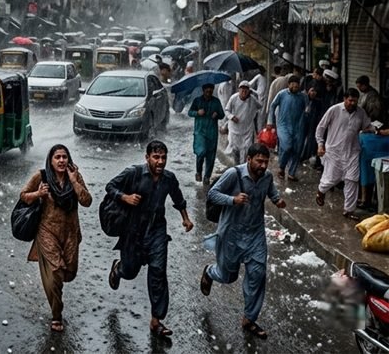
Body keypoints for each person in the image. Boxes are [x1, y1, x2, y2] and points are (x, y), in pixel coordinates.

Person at [105, 140, 193, 340]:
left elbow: (178, 199)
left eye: (163, 157)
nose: (160, 161)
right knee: (130, 271)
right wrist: (124, 197)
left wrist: (186, 219)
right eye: (156, 157)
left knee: (158, 272)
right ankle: (118, 269)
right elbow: (110, 187)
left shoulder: (169, 178)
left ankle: (156, 320)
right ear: (147, 158)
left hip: (157, 231)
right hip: (132, 231)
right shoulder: (133, 173)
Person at [201, 144, 285, 340]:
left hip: (255, 234)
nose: (263, 165)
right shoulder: (234, 174)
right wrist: (233, 199)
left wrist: (277, 200)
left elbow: (271, 193)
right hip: (231, 234)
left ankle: (249, 319)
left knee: (258, 274)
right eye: (259, 161)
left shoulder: (267, 177)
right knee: (227, 276)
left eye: (266, 162)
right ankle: (209, 272)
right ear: (249, 159)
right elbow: (212, 194)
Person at [19, 144, 91, 332]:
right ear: (50, 160)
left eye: (64, 157)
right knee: (56, 273)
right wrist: (39, 194)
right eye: (57, 157)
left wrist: (75, 182)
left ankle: (56, 301)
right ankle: (56, 315)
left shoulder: (74, 176)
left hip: (70, 233)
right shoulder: (41, 177)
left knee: (68, 273)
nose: (61, 160)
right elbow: (24, 196)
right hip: (47, 231)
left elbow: (87, 201)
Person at [315, 88, 372, 220]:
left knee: (352, 180)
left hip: (352, 151)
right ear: (345, 99)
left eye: (355, 101)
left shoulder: (361, 113)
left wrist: (376, 130)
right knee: (332, 179)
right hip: (334, 151)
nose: (352, 103)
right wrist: (320, 144)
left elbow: (367, 126)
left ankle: (349, 210)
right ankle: (321, 191)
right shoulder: (334, 110)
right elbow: (321, 127)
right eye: (350, 100)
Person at [267, 76, 307, 180]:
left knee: (297, 150)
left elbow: (307, 109)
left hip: (298, 126)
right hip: (283, 125)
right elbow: (272, 106)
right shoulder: (282, 94)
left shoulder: (303, 96)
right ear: (288, 84)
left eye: (297, 84)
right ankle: (281, 167)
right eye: (292, 84)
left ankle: (291, 173)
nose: (295, 86)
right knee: (287, 146)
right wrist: (270, 121)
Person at [190, 83, 225, 183]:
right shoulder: (197, 101)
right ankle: (199, 172)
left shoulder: (216, 102)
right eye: (207, 90)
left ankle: (207, 177)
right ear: (203, 90)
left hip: (212, 133)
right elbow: (190, 112)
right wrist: (197, 113)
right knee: (200, 152)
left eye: (211, 90)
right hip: (200, 132)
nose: (209, 92)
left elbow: (222, 115)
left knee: (210, 156)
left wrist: (217, 114)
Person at [224, 81, 261, 164]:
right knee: (235, 150)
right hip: (234, 129)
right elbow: (227, 110)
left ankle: (243, 168)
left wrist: (253, 94)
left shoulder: (252, 99)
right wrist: (232, 117)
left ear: (249, 91)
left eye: (246, 89)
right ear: (239, 89)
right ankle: (237, 166)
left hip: (247, 130)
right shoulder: (233, 98)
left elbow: (260, 106)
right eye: (242, 89)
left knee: (246, 150)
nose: (244, 91)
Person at [301, 83, 328, 172]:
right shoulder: (304, 99)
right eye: (312, 90)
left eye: (315, 91)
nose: (313, 93)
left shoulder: (318, 103)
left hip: (314, 125)